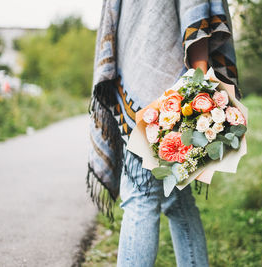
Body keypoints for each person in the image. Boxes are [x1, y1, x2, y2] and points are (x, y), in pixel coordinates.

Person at [87, 1, 239, 266]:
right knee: (176, 200)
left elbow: (195, 13)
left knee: (141, 196)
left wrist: (197, 85)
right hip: (166, 84)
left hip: (171, 92)